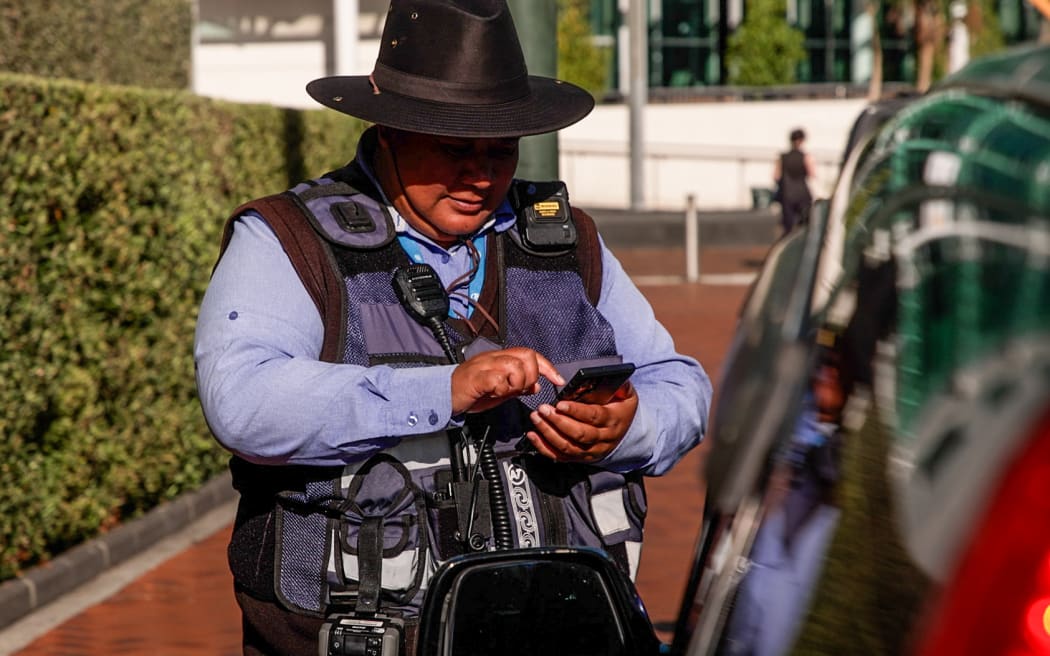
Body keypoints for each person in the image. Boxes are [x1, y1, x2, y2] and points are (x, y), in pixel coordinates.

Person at [193, 1, 712, 654]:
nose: (482, 176)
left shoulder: (564, 238)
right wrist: (442, 391)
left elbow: (681, 385)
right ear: (389, 133)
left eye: (501, 151)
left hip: (561, 632)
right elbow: (242, 403)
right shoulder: (285, 239)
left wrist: (628, 426)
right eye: (454, 149)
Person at [773, 128, 816, 236]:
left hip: (787, 194)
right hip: (802, 194)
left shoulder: (782, 157)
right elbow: (812, 174)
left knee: (788, 226)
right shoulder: (806, 157)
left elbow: (776, 176)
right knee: (805, 224)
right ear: (802, 140)